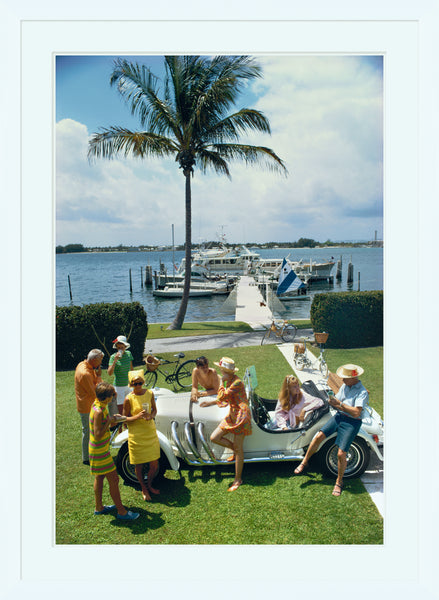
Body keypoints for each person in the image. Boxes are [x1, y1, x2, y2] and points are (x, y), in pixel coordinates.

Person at [293, 363, 369, 497]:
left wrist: (339, 404)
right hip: (340, 416)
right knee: (318, 437)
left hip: (352, 422)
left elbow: (357, 413)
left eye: (345, 378)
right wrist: (332, 400)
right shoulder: (346, 386)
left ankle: (339, 482)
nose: (343, 380)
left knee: (341, 454)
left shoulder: (362, 392)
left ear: (353, 378)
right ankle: (304, 462)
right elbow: (338, 400)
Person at [89, 381, 139, 521]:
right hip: (100, 451)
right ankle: (122, 512)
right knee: (114, 479)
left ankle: (99, 508)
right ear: (106, 397)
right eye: (112, 395)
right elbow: (98, 434)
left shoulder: (98, 404)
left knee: (99, 477)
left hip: (98, 449)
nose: (113, 397)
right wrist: (110, 420)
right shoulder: (99, 411)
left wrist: (113, 419)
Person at [200, 357, 252, 492]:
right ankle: (234, 450)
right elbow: (224, 399)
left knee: (239, 448)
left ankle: (238, 479)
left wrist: (221, 383)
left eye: (222, 371)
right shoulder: (230, 381)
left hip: (241, 415)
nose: (220, 373)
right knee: (214, 437)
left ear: (227, 372)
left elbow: (222, 396)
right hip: (233, 413)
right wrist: (210, 402)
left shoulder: (236, 383)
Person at [123, 370, 161, 502]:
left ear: (143, 382)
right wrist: (137, 417)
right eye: (135, 384)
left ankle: (149, 485)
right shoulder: (128, 398)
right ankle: (144, 488)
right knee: (138, 465)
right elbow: (124, 418)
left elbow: (155, 410)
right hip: (136, 434)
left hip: (149, 432)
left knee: (154, 464)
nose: (138, 386)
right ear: (131, 384)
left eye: (140, 383)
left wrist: (151, 415)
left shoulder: (150, 393)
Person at [74, 349, 104, 465]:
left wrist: (96, 374)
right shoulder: (85, 373)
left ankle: (91, 454)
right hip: (87, 406)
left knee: (89, 430)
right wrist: (100, 376)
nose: (101, 363)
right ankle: (86, 458)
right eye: (100, 360)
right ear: (94, 359)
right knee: (87, 430)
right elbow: (95, 392)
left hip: (88, 404)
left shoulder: (83, 364)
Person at [107, 335, 134, 416]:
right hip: (119, 386)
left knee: (130, 405)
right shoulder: (112, 357)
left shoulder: (129, 354)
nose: (120, 349)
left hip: (129, 384)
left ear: (125, 346)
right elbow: (109, 373)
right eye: (118, 347)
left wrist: (133, 381)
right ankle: (120, 427)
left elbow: (131, 368)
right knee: (120, 408)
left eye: (122, 347)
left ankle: (128, 425)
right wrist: (115, 360)